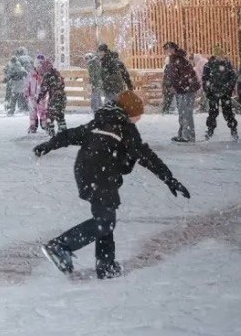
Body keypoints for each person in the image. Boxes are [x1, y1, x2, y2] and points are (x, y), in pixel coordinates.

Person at [36, 91, 190, 279]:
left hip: (87, 172)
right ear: (129, 112)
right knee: (105, 222)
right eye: (137, 115)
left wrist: (49, 145)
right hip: (101, 175)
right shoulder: (125, 129)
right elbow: (146, 156)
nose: (138, 119)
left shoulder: (100, 122)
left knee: (105, 217)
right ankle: (61, 245)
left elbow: (70, 135)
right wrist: (169, 178)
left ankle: (106, 265)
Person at [163, 44, 200, 143]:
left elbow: (184, 76)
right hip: (182, 89)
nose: (166, 51)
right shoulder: (175, 60)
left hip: (186, 90)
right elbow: (172, 76)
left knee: (186, 113)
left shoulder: (179, 60)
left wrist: (177, 86)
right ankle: (183, 134)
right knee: (183, 113)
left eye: (168, 49)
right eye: (166, 50)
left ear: (173, 49)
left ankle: (187, 136)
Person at [202, 45, 238, 141]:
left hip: (225, 92)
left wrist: (229, 87)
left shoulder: (227, 64)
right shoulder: (208, 65)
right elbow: (205, 79)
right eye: (218, 55)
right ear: (215, 55)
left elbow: (233, 77)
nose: (220, 57)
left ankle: (233, 129)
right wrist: (208, 90)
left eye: (221, 55)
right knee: (213, 112)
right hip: (213, 92)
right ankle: (210, 130)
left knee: (228, 112)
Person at [24, 55, 52, 134]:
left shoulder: (45, 75)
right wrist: (26, 92)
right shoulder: (31, 74)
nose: (39, 68)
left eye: (41, 65)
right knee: (32, 112)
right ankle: (33, 125)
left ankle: (44, 124)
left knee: (43, 111)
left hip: (42, 97)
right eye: (38, 65)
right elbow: (27, 84)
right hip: (32, 96)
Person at [40, 57, 68, 136]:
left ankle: (51, 130)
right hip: (62, 97)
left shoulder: (47, 75)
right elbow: (63, 84)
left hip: (54, 97)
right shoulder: (57, 73)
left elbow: (44, 88)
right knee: (60, 114)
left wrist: (40, 96)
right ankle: (63, 131)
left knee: (50, 114)